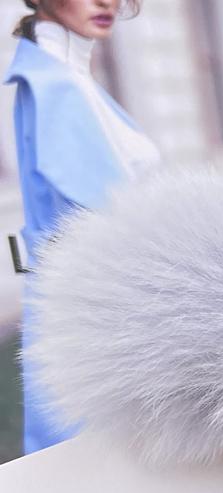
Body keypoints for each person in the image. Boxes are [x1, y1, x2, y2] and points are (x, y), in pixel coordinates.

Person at [3, 0, 160, 455]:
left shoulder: (69, 80)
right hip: (95, 320)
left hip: (92, 311)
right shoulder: (54, 86)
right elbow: (106, 220)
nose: (106, 2)